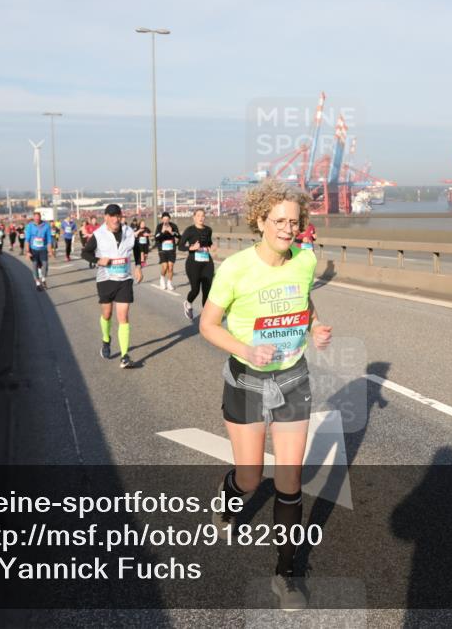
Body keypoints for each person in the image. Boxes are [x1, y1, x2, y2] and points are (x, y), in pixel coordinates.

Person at [198, 179, 332, 611]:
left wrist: (314, 328)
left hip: (293, 378)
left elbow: (304, 301)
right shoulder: (236, 268)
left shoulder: (306, 260)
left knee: (291, 480)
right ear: (260, 221)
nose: (287, 228)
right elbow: (208, 324)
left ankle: (286, 575)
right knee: (252, 477)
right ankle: (229, 491)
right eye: (278, 221)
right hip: (247, 382)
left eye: (294, 222)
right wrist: (246, 349)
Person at [81, 204, 143, 368]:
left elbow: (136, 249)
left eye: (118, 215)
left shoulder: (129, 232)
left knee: (123, 316)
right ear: (106, 217)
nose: (116, 219)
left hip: (124, 278)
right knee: (107, 314)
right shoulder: (99, 234)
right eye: (113, 216)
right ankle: (106, 340)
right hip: (106, 279)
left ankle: (124, 356)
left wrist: (138, 267)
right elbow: (85, 253)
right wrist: (97, 260)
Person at [178, 208, 215, 320]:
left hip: (207, 262)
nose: (201, 218)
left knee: (207, 290)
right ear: (194, 217)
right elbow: (180, 246)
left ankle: (206, 316)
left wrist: (212, 246)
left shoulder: (208, 230)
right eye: (198, 215)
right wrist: (191, 247)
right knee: (195, 289)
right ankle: (188, 303)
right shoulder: (190, 230)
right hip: (193, 263)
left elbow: (209, 242)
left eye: (203, 216)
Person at [24, 212, 55, 290]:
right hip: (33, 249)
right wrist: (27, 251)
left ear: (40, 218)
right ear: (34, 218)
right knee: (35, 265)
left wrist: (50, 251)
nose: (37, 219)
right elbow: (27, 239)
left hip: (43, 249)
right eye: (35, 218)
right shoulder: (30, 226)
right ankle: (37, 283)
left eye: (38, 218)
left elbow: (49, 240)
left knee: (45, 264)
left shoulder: (46, 226)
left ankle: (43, 279)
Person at [154, 212, 180, 290]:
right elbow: (156, 237)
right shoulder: (159, 226)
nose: (165, 221)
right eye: (164, 219)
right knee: (165, 267)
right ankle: (162, 278)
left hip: (171, 249)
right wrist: (162, 231)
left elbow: (179, 235)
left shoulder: (173, 226)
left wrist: (172, 232)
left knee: (171, 267)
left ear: (169, 219)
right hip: (162, 249)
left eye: (167, 219)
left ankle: (169, 283)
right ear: (162, 219)